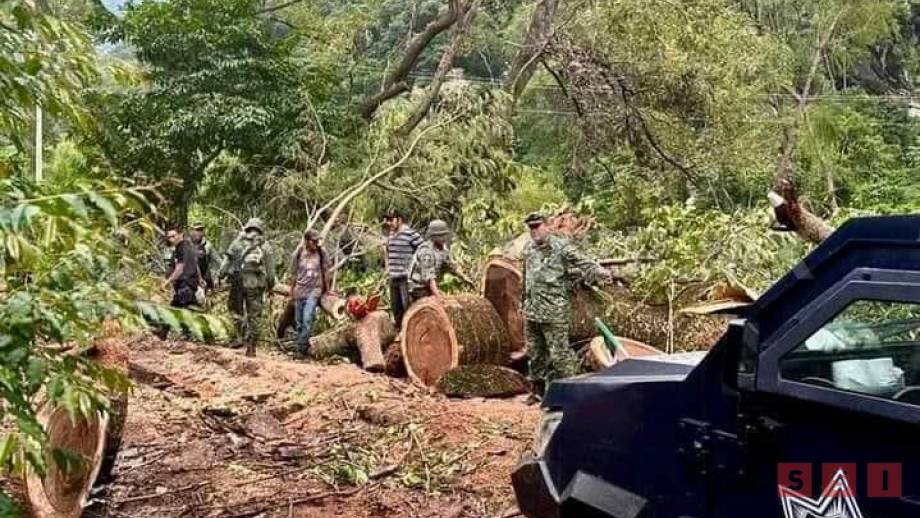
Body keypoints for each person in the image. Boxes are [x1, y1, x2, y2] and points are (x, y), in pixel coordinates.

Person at [521, 212, 612, 394]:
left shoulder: (561, 247)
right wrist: (522, 301)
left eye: (537, 226)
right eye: (531, 228)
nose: (534, 231)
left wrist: (602, 273)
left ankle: (574, 391)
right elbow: (526, 277)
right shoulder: (529, 249)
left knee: (560, 355)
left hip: (554, 312)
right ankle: (537, 391)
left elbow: (584, 262)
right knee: (535, 354)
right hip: (532, 311)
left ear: (547, 226)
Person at [219, 218, 276, 356]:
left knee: (235, 310)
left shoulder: (237, 243)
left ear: (247, 228)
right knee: (254, 315)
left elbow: (226, 262)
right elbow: (271, 272)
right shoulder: (265, 246)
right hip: (255, 284)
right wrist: (270, 286)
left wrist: (220, 276)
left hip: (238, 282)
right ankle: (251, 347)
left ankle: (239, 336)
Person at [407, 219, 474, 301]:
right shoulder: (426, 252)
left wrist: (465, 279)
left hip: (428, 286)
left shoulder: (443, 250)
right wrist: (439, 297)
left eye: (444, 235)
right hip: (418, 288)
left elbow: (451, 266)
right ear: (433, 237)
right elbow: (429, 278)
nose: (443, 238)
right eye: (440, 236)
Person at [289, 229, 329, 358]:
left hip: (314, 290)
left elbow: (326, 271)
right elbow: (293, 274)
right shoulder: (298, 253)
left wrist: (328, 290)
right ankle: (303, 346)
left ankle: (301, 350)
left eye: (318, 241)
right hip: (300, 290)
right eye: (314, 241)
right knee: (299, 322)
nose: (317, 244)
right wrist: (291, 292)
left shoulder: (322, 253)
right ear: (306, 241)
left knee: (307, 318)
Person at [155, 227, 200, 339]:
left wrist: (167, 282)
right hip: (188, 283)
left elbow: (180, 268)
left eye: (173, 236)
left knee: (186, 309)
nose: (171, 239)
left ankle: (191, 334)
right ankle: (164, 332)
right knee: (178, 308)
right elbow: (194, 263)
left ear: (180, 235)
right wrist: (200, 278)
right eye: (169, 237)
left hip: (186, 283)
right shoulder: (187, 246)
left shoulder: (182, 247)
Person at [384, 211, 423, 328]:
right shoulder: (391, 234)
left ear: (399, 220)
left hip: (405, 279)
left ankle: (411, 331)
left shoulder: (410, 234)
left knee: (408, 308)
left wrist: (415, 268)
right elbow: (387, 250)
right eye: (388, 220)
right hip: (393, 277)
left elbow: (423, 248)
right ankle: (400, 332)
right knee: (396, 308)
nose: (389, 223)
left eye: (391, 220)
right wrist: (387, 266)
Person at [190, 222, 219, 293]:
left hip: (204, 276)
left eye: (201, 230)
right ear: (192, 231)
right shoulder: (187, 244)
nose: (199, 233)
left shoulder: (208, 245)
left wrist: (217, 276)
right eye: (197, 230)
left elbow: (217, 260)